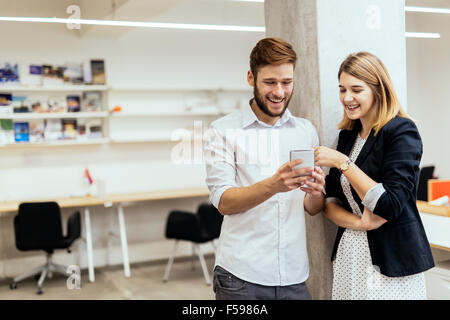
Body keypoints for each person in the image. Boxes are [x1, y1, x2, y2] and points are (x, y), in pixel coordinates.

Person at [203, 37, 326, 300]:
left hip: (294, 275)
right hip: (240, 277)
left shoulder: (305, 131)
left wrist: (317, 192)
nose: (279, 92)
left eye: (286, 82)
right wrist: (274, 185)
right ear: (251, 77)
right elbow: (223, 201)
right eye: (270, 82)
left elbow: (312, 208)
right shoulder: (223, 131)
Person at [315, 51, 434, 300]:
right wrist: (360, 224)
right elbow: (330, 202)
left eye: (356, 89)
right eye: (342, 89)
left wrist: (342, 163)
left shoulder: (401, 131)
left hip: (390, 261)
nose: (347, 98)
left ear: (378, 90)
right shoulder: (348, 137)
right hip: (351, 255)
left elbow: (389, 206)